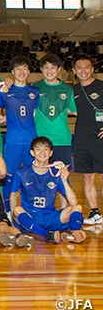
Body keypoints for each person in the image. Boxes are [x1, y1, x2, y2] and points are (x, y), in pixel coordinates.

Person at [10, 137, 86, 244]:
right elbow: (13, 195)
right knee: (17, 210)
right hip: (29, 217)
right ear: (32, 153)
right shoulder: (22, 172)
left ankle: (74, 233)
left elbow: (73, 202)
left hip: (49, 217)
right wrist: (13, 218)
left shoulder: (56, 173)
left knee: (77, 208)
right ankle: (46, 235)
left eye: (46, 149)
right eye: (38, 149)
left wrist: (64, 181)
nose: (42, 152)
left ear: (51, 153)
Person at [0, 55, 39, 212]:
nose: (21, 72)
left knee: (31, 177)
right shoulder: (5, 91)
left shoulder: (35, 91)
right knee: (10, 177)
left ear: (28, 71)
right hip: (13, 141)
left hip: (31, 140)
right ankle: (8, 211)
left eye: (24, 68)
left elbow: (35, 114)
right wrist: (2, 118)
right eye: (18, 68)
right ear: (12, 71)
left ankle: (30, 210)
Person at [71, 53, 103, 225]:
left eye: (87, 67)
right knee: (87, 178)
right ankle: (95, 212)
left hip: (100, 140)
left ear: (93, 69)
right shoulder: (73, 91)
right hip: (82, 140)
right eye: (79, 68)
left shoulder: (102, 86)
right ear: (74, 71)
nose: (83, 71)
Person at [32, 53, 76, 169]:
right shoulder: (35, 88)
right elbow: (28, 111)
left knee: (63, 176)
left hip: (62, 140)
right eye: (46, 68)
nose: (49, 71)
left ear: (59, 69)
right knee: (41, 176)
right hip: (41, 142)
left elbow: (78, 112)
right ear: (41, 69)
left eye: (53, 68)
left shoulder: (68, 90)